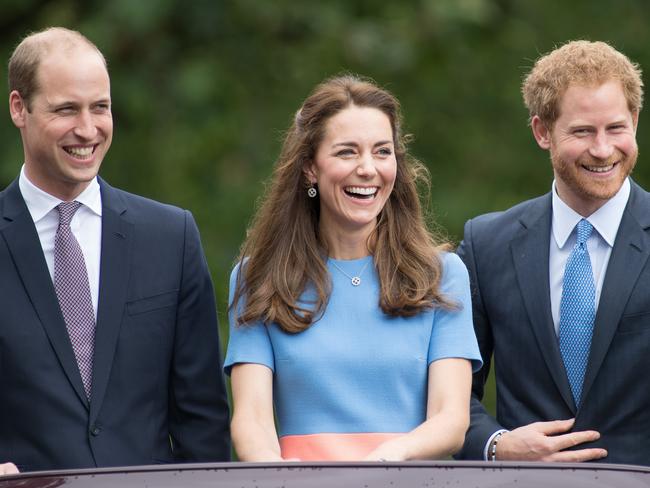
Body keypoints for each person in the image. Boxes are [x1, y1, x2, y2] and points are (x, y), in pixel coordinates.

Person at [0, 27, 230, 475]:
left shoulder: (171, 236)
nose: (87, 129)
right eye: (66, 109)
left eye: (100, 107)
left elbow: (202, 421)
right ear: (18, 108)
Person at [224, 74, 482, 462]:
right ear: (310, 168)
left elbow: (450, 420)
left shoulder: (442, 274)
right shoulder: (257, 277)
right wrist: (277, 473)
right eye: (347, 152)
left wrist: (385, 460)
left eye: (382, 151)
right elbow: (252, 419)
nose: (368, 169)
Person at [456, 40, 649, 465]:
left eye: (616, 128)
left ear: (635, 121)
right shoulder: (487, 245)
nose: (602, 149)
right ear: (542, 131)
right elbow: (449, 396)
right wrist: (498, 445)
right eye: (582, 131)